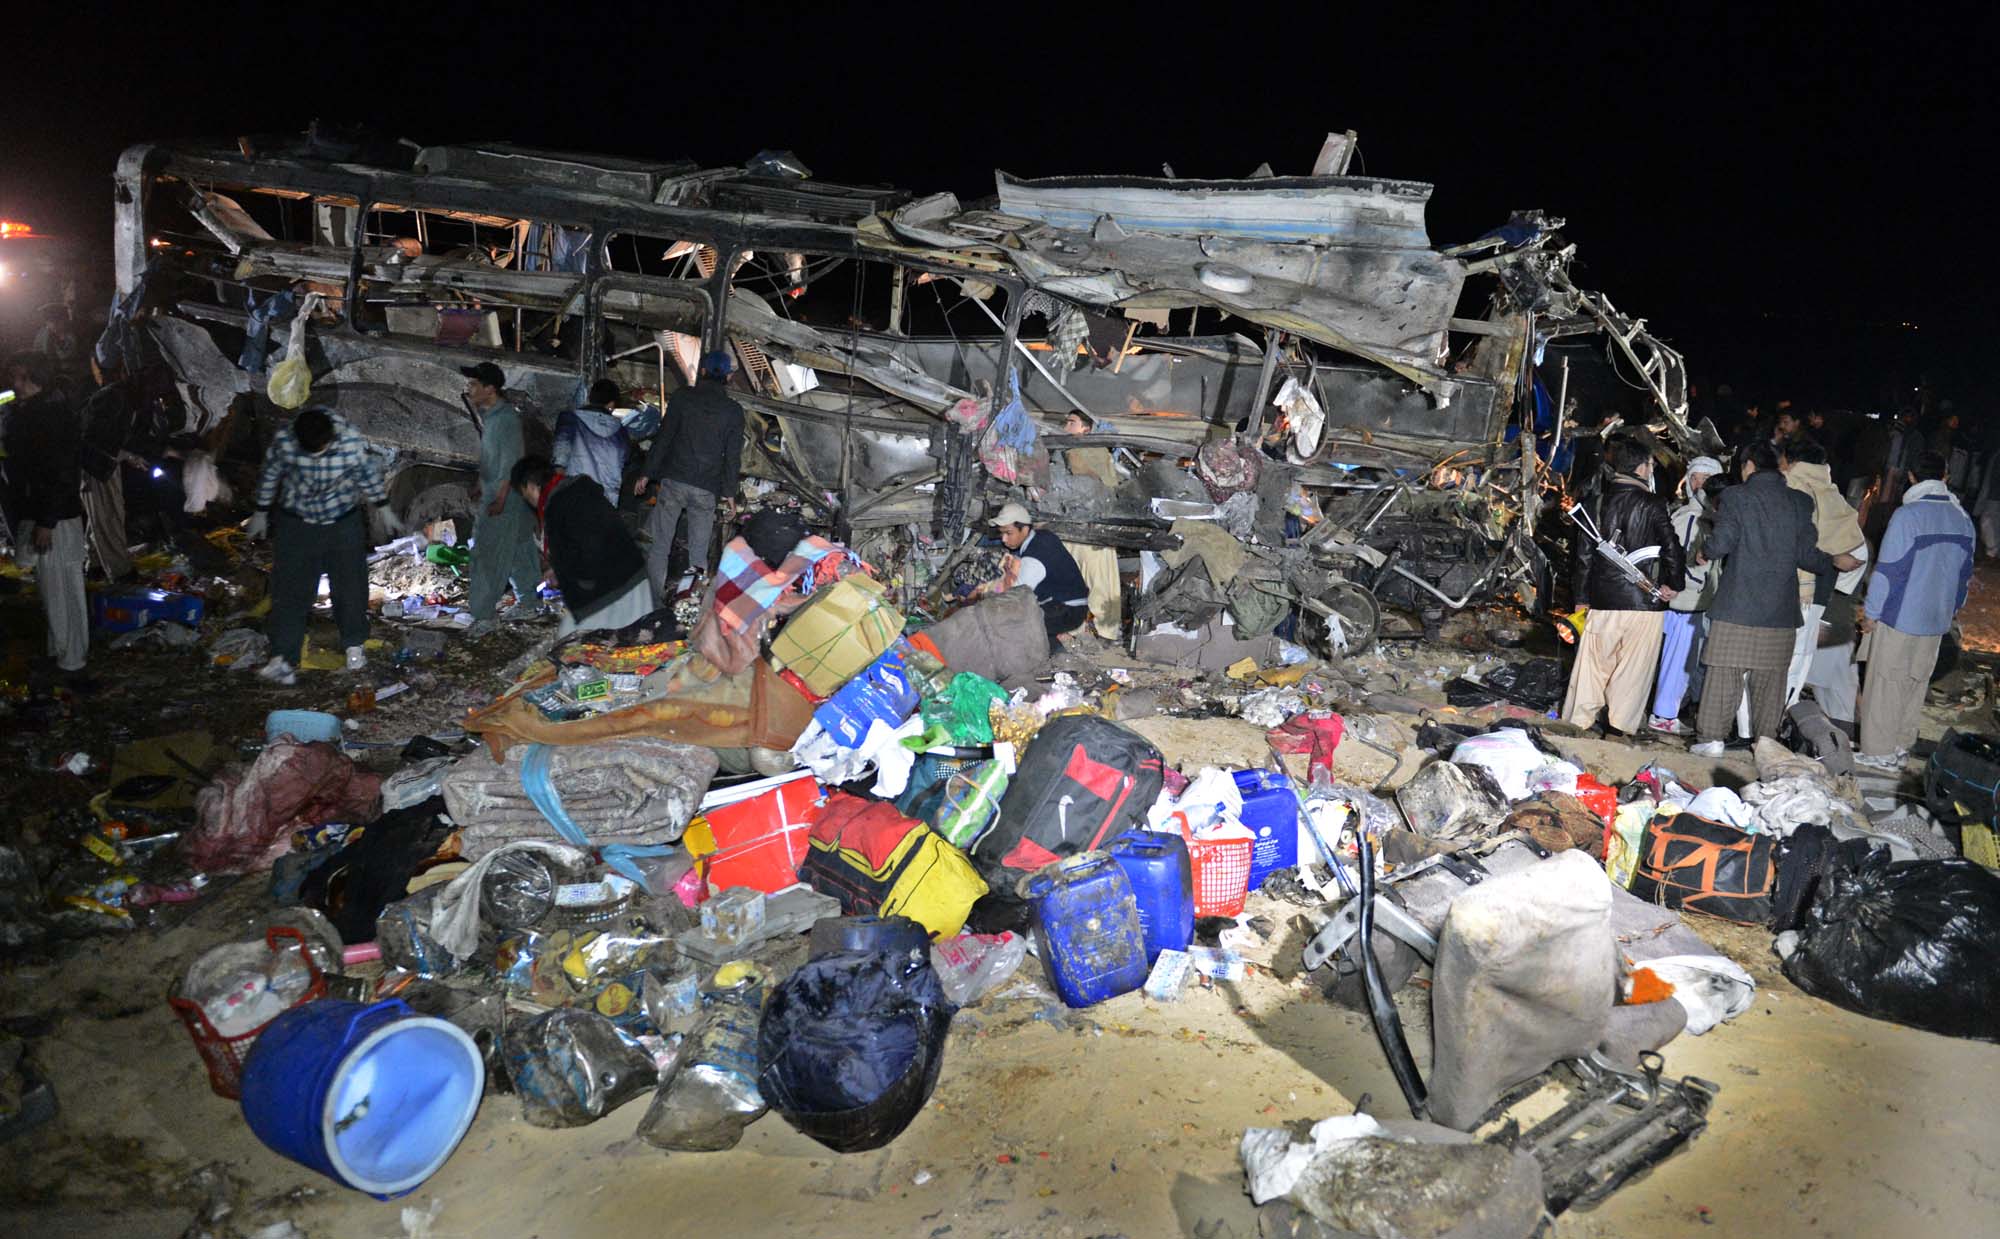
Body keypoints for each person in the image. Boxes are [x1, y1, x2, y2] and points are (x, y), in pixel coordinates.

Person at [1689, 441, 1860, 756]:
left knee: (1723, 674)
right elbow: (1807, 554)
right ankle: (1766, 742)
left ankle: (1711, 740)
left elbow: (1722, 541)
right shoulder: (1798, 502)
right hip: (1780, 611)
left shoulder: (1736, 497)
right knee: (1771, 682)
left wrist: (1705, 551)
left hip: (1737, 607)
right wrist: (1834, 561)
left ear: (1749, 466)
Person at [246, 406, 397, 687]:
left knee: (350, 586)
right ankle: (283, 658)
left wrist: (383, 506)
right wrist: (260, 511)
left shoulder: (349, 440)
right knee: (290, 590)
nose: (316, 455)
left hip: (342, 522)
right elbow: (269, 475)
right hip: (297, 524)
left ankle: (354, 646)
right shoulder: (284, 441)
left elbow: (367, 474)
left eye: (321, 450)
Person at [1855, 452, 1976, 770]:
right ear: (1946, 477)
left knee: (1885, 682)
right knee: (1916, 682)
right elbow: (1965, 574)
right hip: (1937, 618)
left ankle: (1878, 751)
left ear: (1911, 477)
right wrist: (1953, 609)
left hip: (1900, 615)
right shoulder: (1962, 518)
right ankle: (1900, 746)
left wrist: (1871, 612)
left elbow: (1888, 570)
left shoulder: (1908, 515)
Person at [1561, 438, 1685, 737]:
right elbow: (1672, 549)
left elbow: (1582, 558)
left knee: (1591, 666)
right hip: (1645, 604)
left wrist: (1580, 600)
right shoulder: (1654, 503)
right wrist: (1673, 584)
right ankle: (1618, 728)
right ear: (1643, 468)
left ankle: (1577, 724)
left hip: (1602, 601)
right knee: (1633, 670)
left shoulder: (1593, 503)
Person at [5, 353, 90, 683]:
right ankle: (61, 654)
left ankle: (73, 663)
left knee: (65, 592)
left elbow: (60, 473)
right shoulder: (35, 412)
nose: (15, 385)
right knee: (52, 592)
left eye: (21, 378)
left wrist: (46, 521)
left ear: (37, 379)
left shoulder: (50, 416)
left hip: (56, 519)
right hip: (46, 513)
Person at [509, 454, 655, 638]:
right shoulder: (577, 490)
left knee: (574, 645)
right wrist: (559, 571)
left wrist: (570, 577)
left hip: (610, 591)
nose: (527, 499)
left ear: (529, 485)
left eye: (524, 493)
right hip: (632, 576)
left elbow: (591, 547)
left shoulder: (557, 506)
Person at [638, 351, 743, 592]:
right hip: (706, 488)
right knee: (698, 552)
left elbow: (664, 438)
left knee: (660, 545)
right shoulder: (733, 411)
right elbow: (732, 457)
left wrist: (647, 473)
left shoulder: (683, 398)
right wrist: (730, 495)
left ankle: (654, 600)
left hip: (675, 480)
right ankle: (689, 601)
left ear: (702, 372)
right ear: (727, 377)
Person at [1778, 440, 1865, 711]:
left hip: (1787, 586)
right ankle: (1784, 712)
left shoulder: (1790, 487)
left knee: (1780, 656)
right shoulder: (1834, 495)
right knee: (1801, 656)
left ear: (1791, 461)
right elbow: (1859, 551)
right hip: (1821, 589)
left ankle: (1768, 716)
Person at [462, 362, 543, 635]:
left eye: (474, 384)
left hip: (503, 498)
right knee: (520, 548)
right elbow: (493, 458)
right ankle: (528, 602)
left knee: (486, 555)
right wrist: (479, 483)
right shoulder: (495, 417)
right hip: (508, 496)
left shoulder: (505, 419)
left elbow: (510, 463)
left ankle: (484, 615)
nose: (469, 389)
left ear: (490, 389)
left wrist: (498, 498)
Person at [1648, 455, 1722, 734]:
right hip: (1684, 603)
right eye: (1695, 478)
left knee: (1681, 661)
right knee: (1677, 662)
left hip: (1691, 602)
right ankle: (1664, 715)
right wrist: (1691, 585)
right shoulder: (1690, 518)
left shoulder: (1704, 518)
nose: (1699, 484)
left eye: (1706, 479)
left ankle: (1667, 712)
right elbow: (1677, 559)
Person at [1058, 412, 1123, 640]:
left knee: (1100, 580)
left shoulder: (1094, 451)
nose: (1066, 426)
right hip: (1072, 523)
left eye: (1071, 422)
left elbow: (1100, 483)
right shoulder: (1063, 451)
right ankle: (1073, 626)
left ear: (1086, 429)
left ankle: (1107, 631)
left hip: (1096, 525)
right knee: (1071, 577)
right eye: (1066, 422)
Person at [983, 501, 1089, 640]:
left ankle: (1048, 650)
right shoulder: (1042, 536)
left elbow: (1016, 595)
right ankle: (1050, 643)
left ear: (1025, 529)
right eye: (1002, 533)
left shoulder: (1034, 557)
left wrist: (990, 594)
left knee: (1007, 623)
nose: (1004, 539)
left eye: (1009, 533)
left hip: (1067, 610)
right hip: (1068, 604)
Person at [77, 371, 139, 582]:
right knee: (108, 516)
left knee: (100, 515)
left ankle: (94, 564)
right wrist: (125, 454)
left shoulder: (117, 396)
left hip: (103, 464)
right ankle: (120, 572)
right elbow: (97, 440)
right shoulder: (116, 399)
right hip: (97, 466)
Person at [553, 378, 631, 509]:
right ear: (611, 403)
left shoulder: (570, 419)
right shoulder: (621, 432)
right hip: (606, 501)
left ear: (590, 397)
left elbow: (560, 452)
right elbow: (625, 460)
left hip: (573, 494)